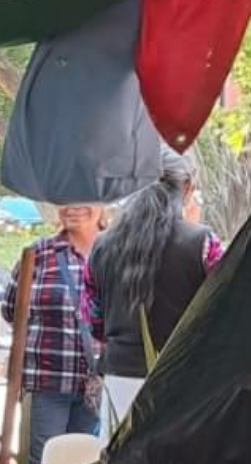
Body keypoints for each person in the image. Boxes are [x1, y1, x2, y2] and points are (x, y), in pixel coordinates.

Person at [86, 149, 223, 428]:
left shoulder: (101, 245)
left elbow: (94, 322)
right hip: (182, 380)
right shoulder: (203, 243)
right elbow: (225, 310)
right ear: (187, 187)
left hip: (118, 382)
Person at [3, 203, 104, 464]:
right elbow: (11, 310)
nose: (73, 206)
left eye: (83, 197)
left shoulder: (115, 252)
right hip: (47, 383)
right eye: (65, 198)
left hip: (96, 387)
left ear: (101, 203)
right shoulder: (38, 253)